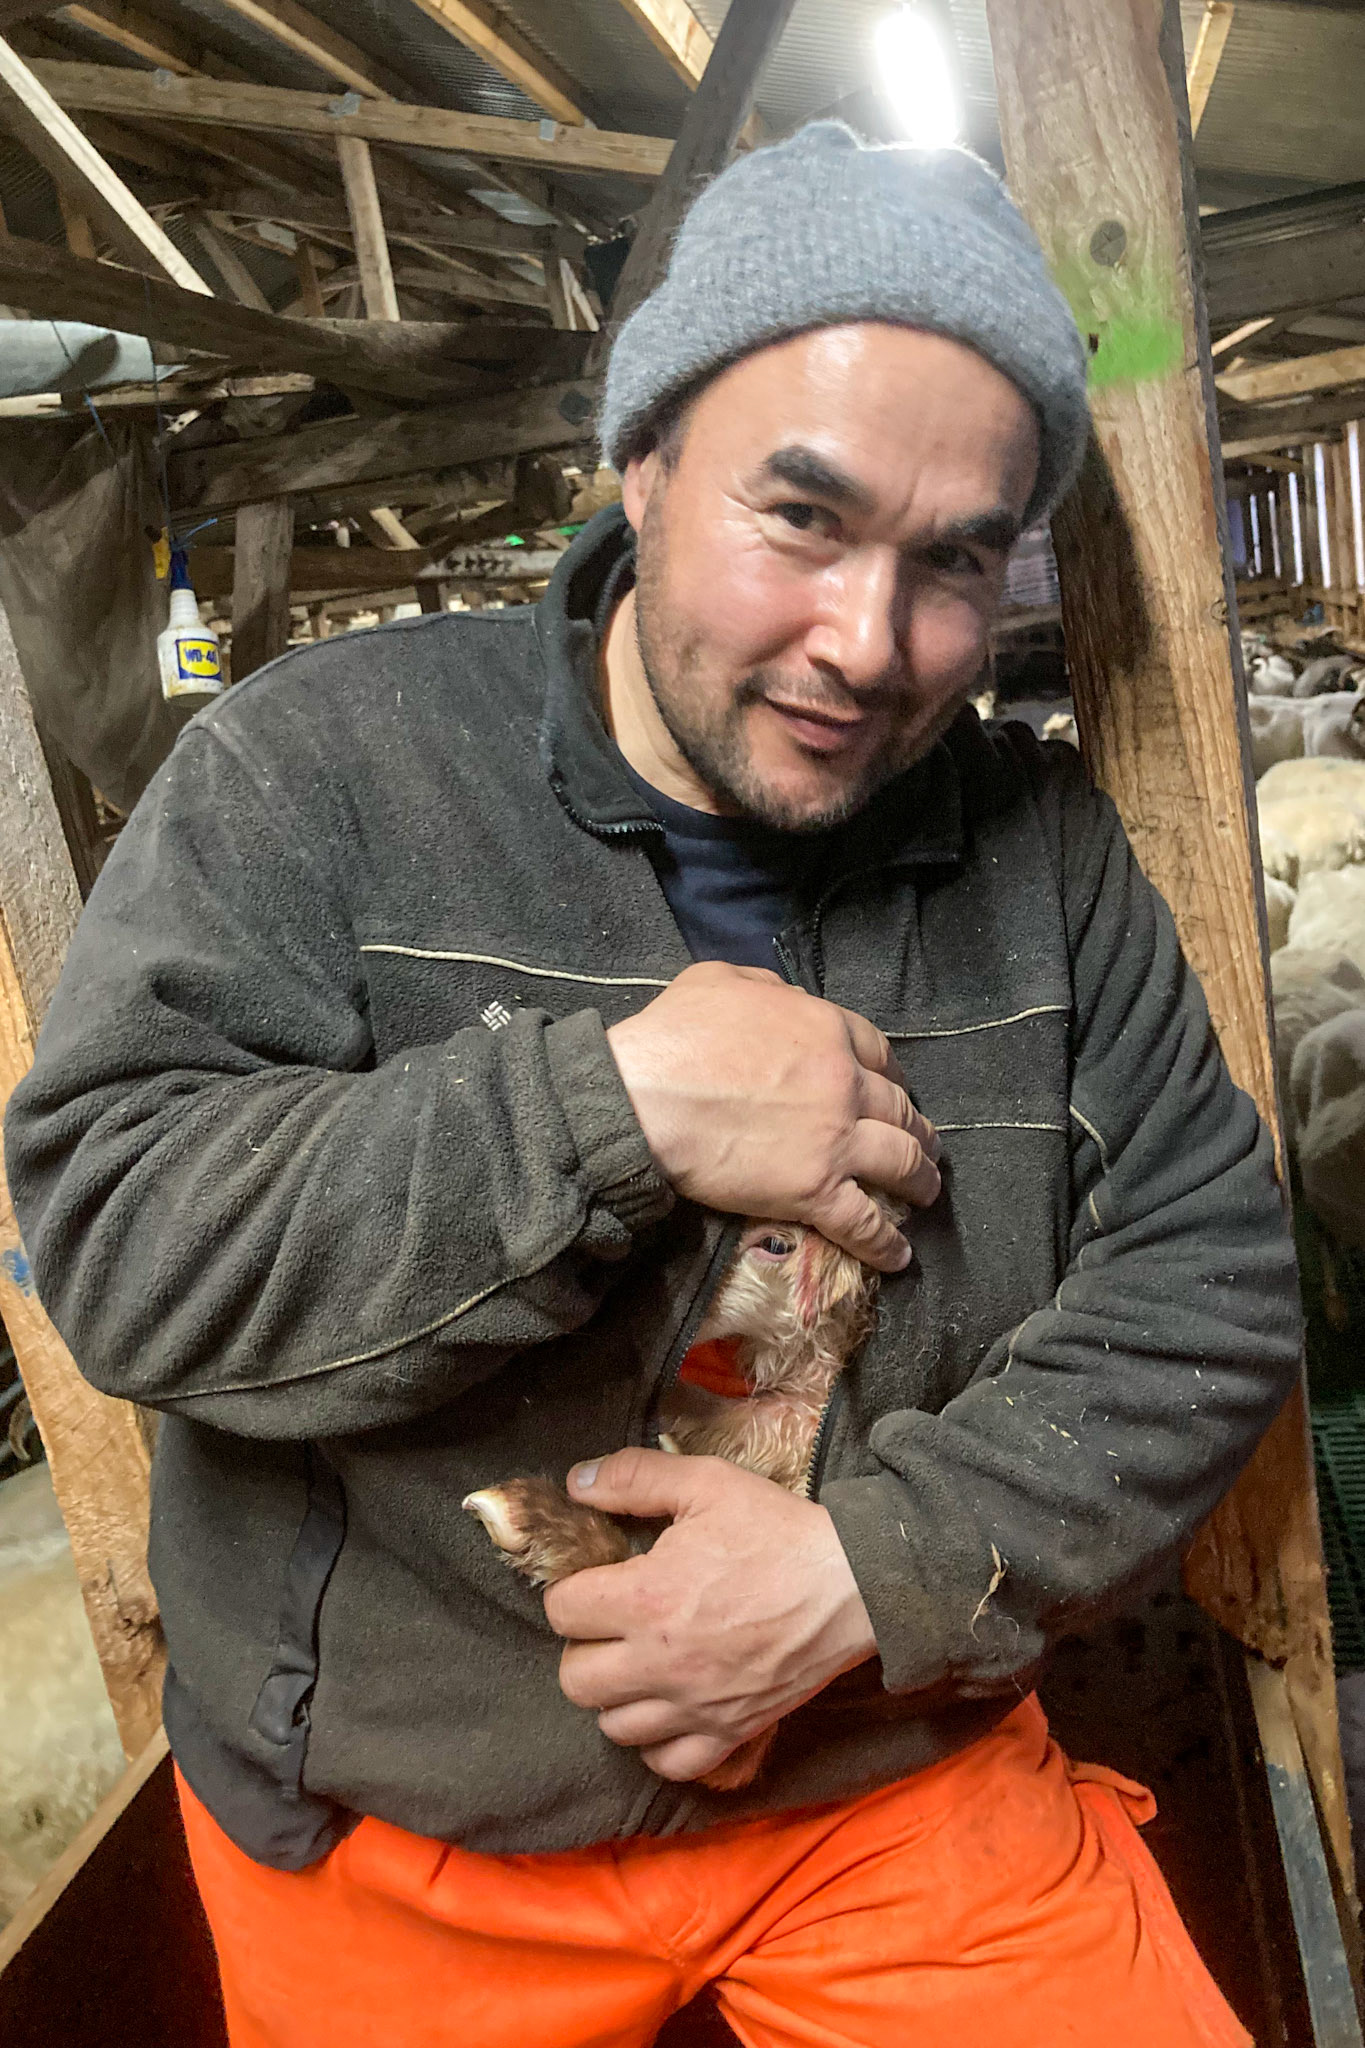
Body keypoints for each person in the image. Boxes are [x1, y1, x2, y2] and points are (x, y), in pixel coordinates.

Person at [5, 123, 1299, 2048]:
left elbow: (1207, 1278)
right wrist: (607, 1112)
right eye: (802, 517)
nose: (868, 645)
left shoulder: (1037, 853)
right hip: (403, 1829)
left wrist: (877, 1572)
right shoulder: (319, 770)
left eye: (950, 562)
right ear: (643, 463)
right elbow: (124, 1246)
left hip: (881, 1771)